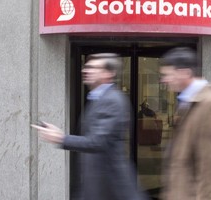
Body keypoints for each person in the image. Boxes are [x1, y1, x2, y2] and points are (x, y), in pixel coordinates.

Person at [32, 53, 148, 200]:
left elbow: (98, 142)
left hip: (112, 189)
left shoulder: (113, 100)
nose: (85, 71)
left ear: (109, 73)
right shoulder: (97, 98)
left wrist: (61, 138)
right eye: (86, 67)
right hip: (97, 187)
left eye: (94, 68)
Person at [159, 47, 211, 200]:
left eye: (168, 74)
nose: (165, 80)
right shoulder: (189, 102)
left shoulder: (210, 105)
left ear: (185, 73)